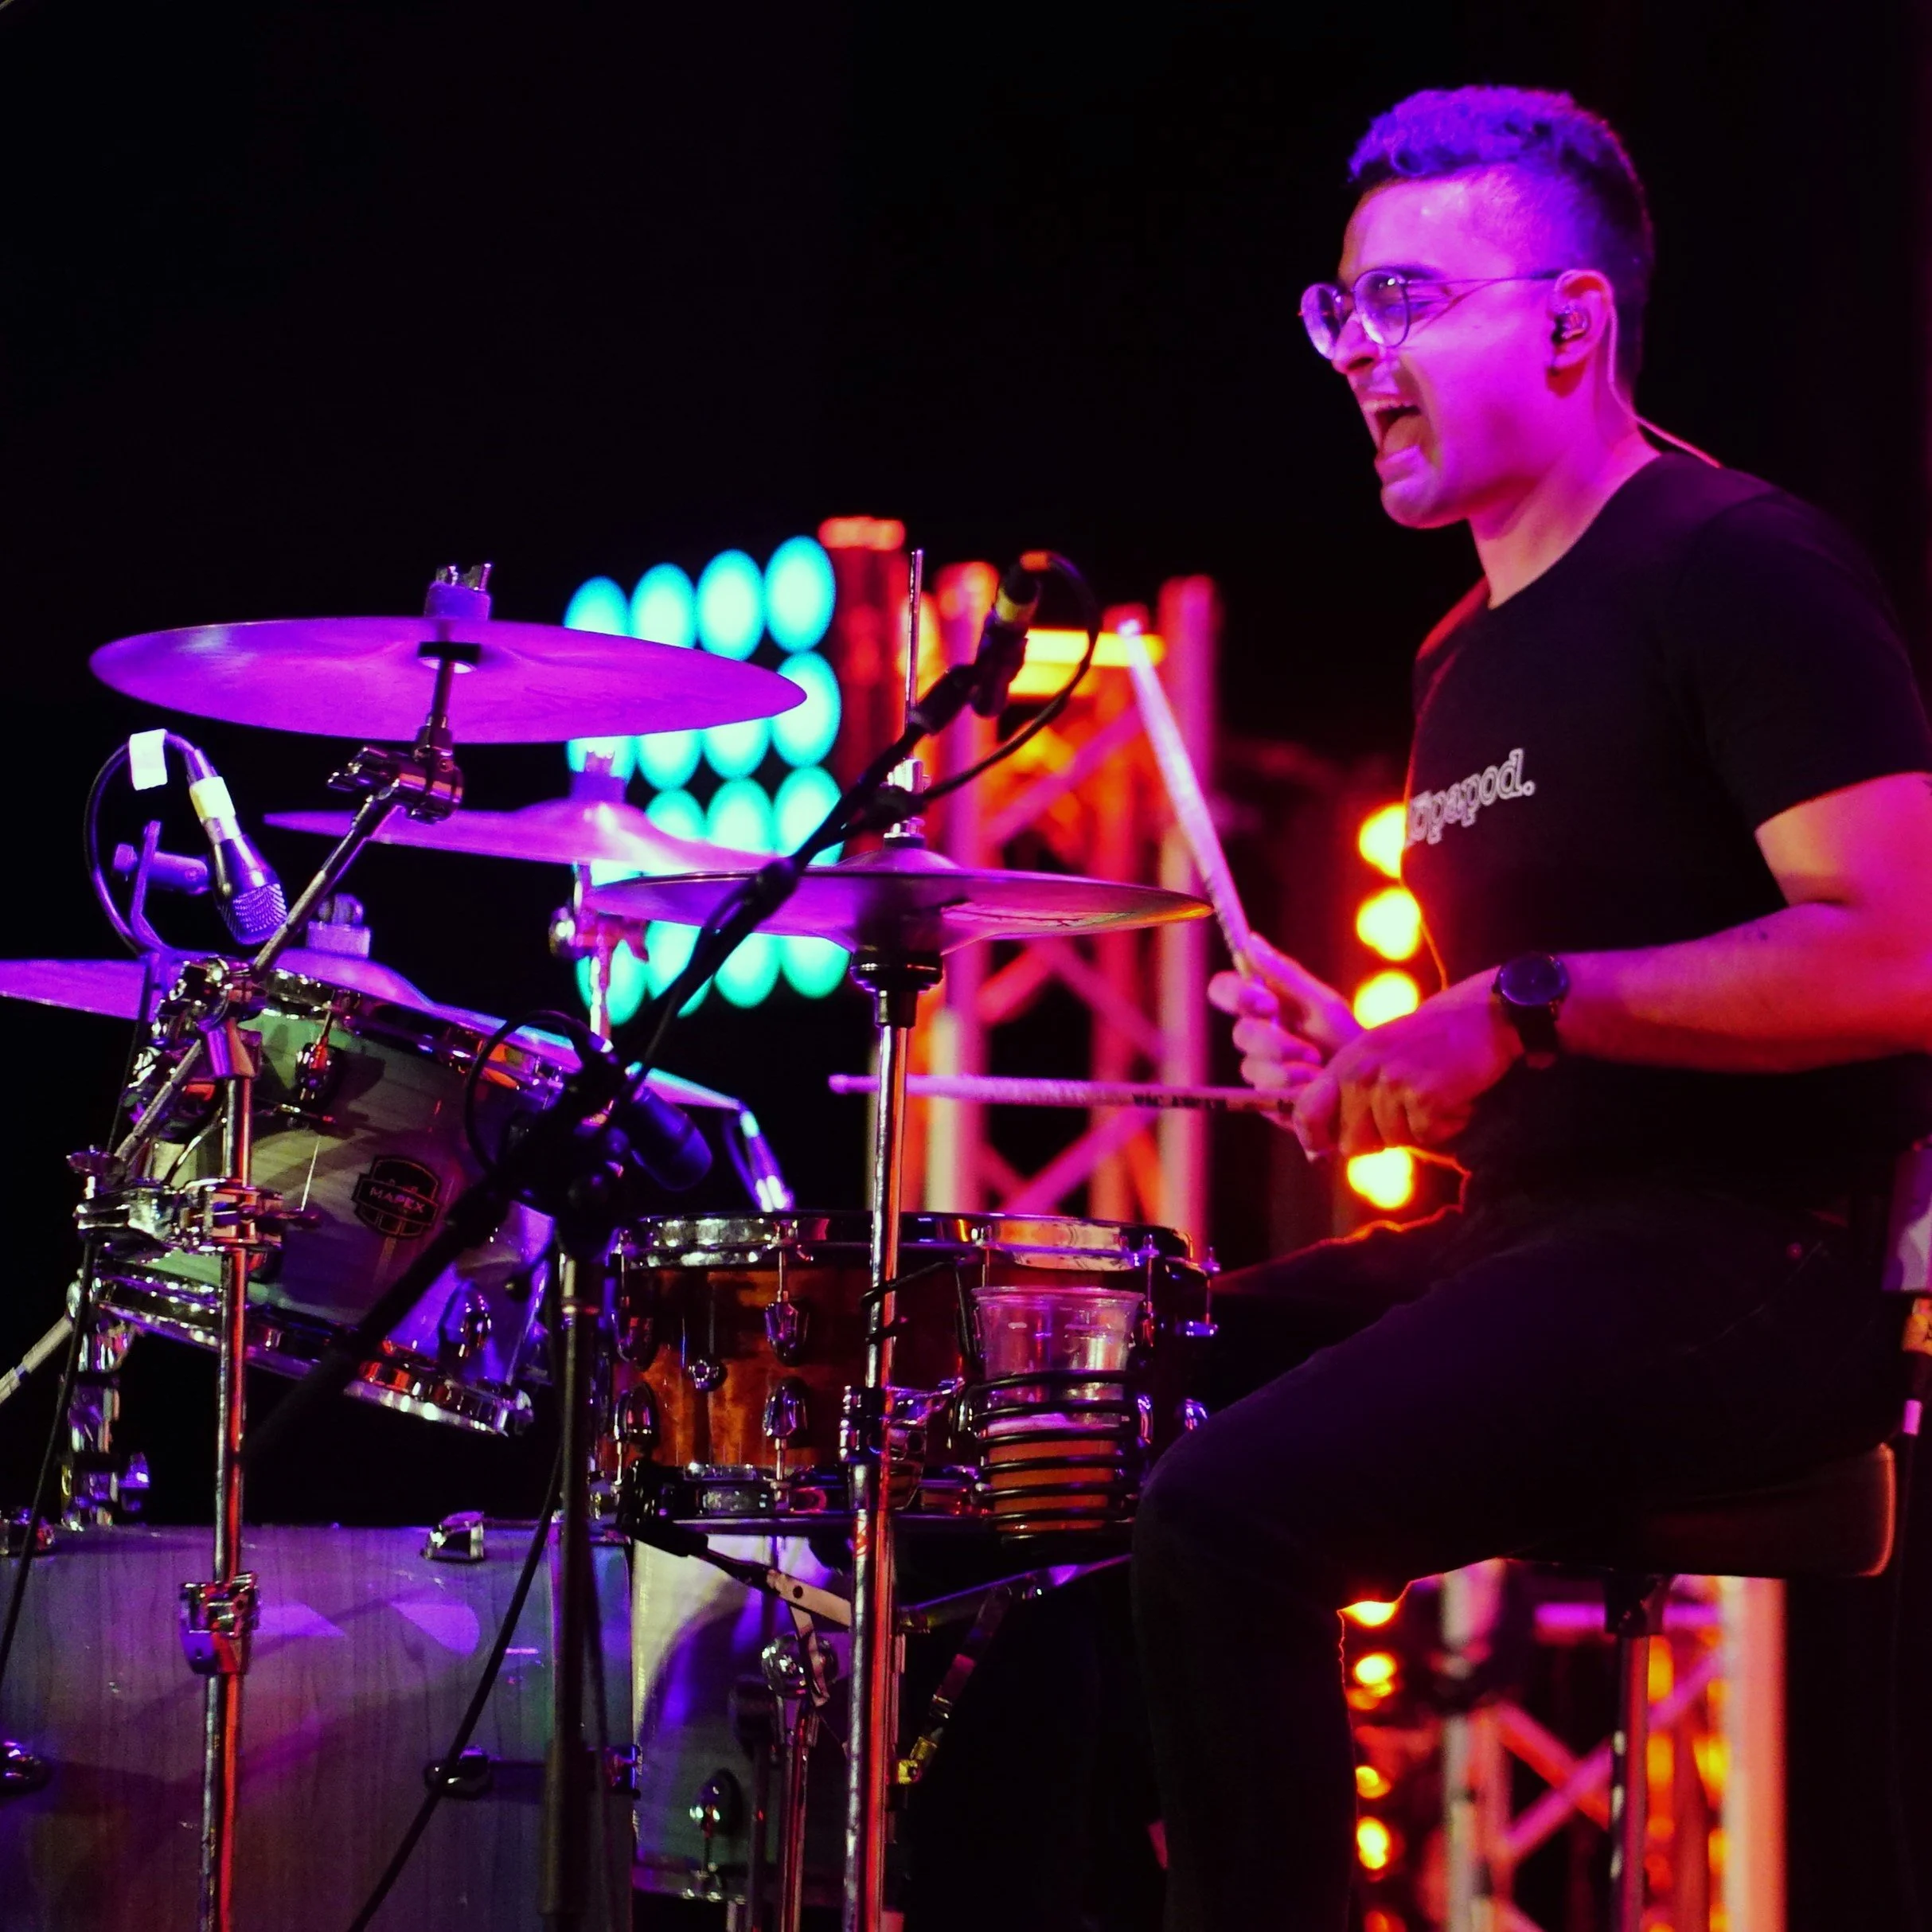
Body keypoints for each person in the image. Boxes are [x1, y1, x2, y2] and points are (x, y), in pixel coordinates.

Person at [1130, 84, 1932, 1930]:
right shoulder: (1457, 655)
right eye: (1340, 312)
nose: (1359, 357)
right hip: (1532, 1245)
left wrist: (1515, 1007)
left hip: (1756, 1267)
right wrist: (1371, 1075)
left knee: (1226, 1512)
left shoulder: (1735, 567)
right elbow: (1526, 1072)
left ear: (1572, 325)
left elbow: (1896, 951)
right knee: (1073, 1430)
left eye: (1406, 305)